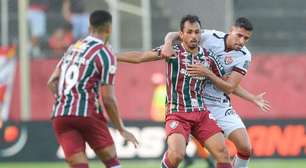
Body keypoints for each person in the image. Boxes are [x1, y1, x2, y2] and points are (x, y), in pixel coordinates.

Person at [117, 15, 232, 168]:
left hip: (201, 113)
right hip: (178, 112)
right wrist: (112, 56)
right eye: (189, 32)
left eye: (197, 32)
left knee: (223, 153)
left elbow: (227, 85)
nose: (193, 36)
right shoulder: (173, 51)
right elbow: (140, 57)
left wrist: (209, 73)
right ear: (181, 34)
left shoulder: (208, 56)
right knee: (177, 155)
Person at [162, 17, 271, 168]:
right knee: (181, 153)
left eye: (246, 38)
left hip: (220, 103)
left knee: (245, 147)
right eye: (239, 35)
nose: (242, 41)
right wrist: (167, 44)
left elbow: (230, 86)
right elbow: (176, 34)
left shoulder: (245, 56)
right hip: (197, 101)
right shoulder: (210, 36)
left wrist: (252, 98)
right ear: (231, 30)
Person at [47, 10, 138, 168]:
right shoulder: (105, 53)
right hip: (87, 114)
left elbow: (51, 82)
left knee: (79, 165)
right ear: (109, 28)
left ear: (89, 27)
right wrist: (121, 129)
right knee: (112, 162)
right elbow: (108, 99)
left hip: (61, 115)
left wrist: (66, 102)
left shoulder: (73, 48)